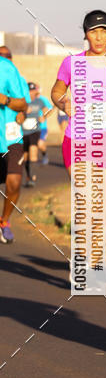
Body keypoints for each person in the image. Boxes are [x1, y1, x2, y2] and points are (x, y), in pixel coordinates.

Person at [51, 10, 106, 244]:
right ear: (86, 34)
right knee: (86, 205)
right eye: (94, 31)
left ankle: (93, 265)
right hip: (79, 139)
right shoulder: (72, 63)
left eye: (104, 31)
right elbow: (57, 90)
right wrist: (63, 102)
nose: (99, 37)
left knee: (105, 210)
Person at [0, 46, 29, 243]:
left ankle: (5, 221)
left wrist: (6, 100)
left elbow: (22, 104)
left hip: (11, 135)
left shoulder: (8, 70)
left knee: (14, 182)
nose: (4, 58)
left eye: (7, 56)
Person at [21, 82, 47, 187]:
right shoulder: (22, 102)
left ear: (35, 91)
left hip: (35, 131)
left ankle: (33, 177)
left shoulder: (39, 101)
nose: (31, 93)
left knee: (33, 151)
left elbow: (47, 110)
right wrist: (23, 112)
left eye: (33, 91)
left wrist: (44, 117)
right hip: (23, 132)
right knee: (25, 156)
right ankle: (28, 176)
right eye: (29, 91)